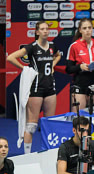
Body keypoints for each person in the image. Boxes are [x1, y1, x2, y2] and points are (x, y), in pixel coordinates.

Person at [7, 21, 60, 154]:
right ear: (37, 32)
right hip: (36, 89)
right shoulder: (32, 47)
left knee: (49, 123)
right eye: (42, 29)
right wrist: (24, 68)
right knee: (31, 125)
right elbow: (11, 57)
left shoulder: (52, 46)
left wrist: (52, 64)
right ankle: (27, 154)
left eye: (47, 29)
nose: (45, 31)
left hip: (50, 89)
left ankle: (48, 152)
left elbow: (58, 55)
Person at [66, 19, 94, 112]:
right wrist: (80, 67)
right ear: (80, 30)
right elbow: (68, 69)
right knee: (78, 116)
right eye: (84, 28)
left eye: (89, 28)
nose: (87, 30)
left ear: (92, 29)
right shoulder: (74, 46)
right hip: (80, 84)